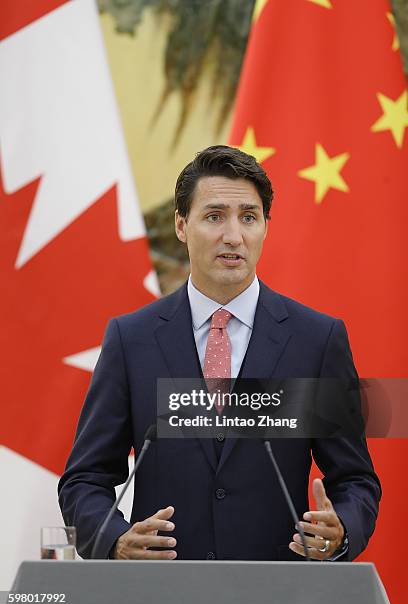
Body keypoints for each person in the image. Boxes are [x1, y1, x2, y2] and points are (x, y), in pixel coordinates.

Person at [58, 145, 381, 562]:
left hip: (277, 592)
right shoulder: (131, 339)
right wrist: (115, 540)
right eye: (214, 216)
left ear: (265, 226)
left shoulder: (316, 340)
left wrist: (342, 530)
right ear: (181, 225)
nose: (234, 236)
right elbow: (85, 478)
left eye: (248, 217)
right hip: (163, 592)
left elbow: (356, 480)